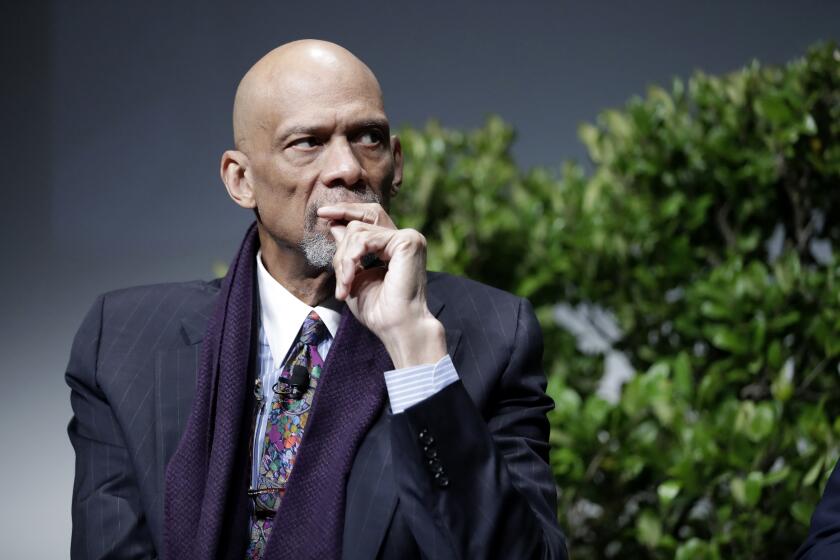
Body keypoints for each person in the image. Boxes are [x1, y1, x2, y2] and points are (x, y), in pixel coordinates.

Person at [65, 39, 568, 560]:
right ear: (241, 180)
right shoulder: (123, 342)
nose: (347, 169)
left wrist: (415, 350)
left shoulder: (494, 334)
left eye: (368, 137)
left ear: (394, 165)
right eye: (307, 142)